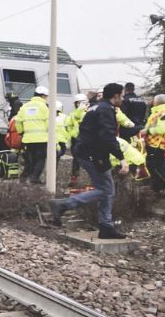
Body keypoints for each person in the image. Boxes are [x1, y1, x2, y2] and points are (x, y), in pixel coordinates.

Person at [48, 83, 128, 239]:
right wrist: (121, 157)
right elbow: (108, 137)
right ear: (116, 96)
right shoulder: (106, 110)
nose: (123, 99)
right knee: (105, 190)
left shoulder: (96, 107)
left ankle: (106, 227)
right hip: (94, 155)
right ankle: (64, 204)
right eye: (122, 96)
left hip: (87, 152)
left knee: (107, 189)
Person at [15, 86, 50, 184]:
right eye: (46, 96)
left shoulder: (25, 106)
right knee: (40, 159)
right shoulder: (44, 107)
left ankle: (25, 178)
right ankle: (34, 178)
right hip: (42, 139)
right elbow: (49, 123)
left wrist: (21, 132)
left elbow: (18, 121)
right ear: (43, 96)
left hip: (28, 139)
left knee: (30, 159)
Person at [144, 94, 165, 195]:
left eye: (154, 100)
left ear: (157, 102)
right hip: (154, 143)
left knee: (156, 166)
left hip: (159, 144)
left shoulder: (163, 113)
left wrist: (148, 131)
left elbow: (163, 129)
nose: (152, 101)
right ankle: (157, 187)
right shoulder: (158, 112)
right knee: (154, 166)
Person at [69, 93, 89, 186]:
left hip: (86, 138)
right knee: (76, 159)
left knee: (89, 158)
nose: (80, 105)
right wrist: (72, 134)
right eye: (78, 103)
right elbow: (69, 125)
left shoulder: (89, 113)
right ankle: (74, 177)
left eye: (82, 102)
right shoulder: (73, 114)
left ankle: (92, 178)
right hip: (76, 138)